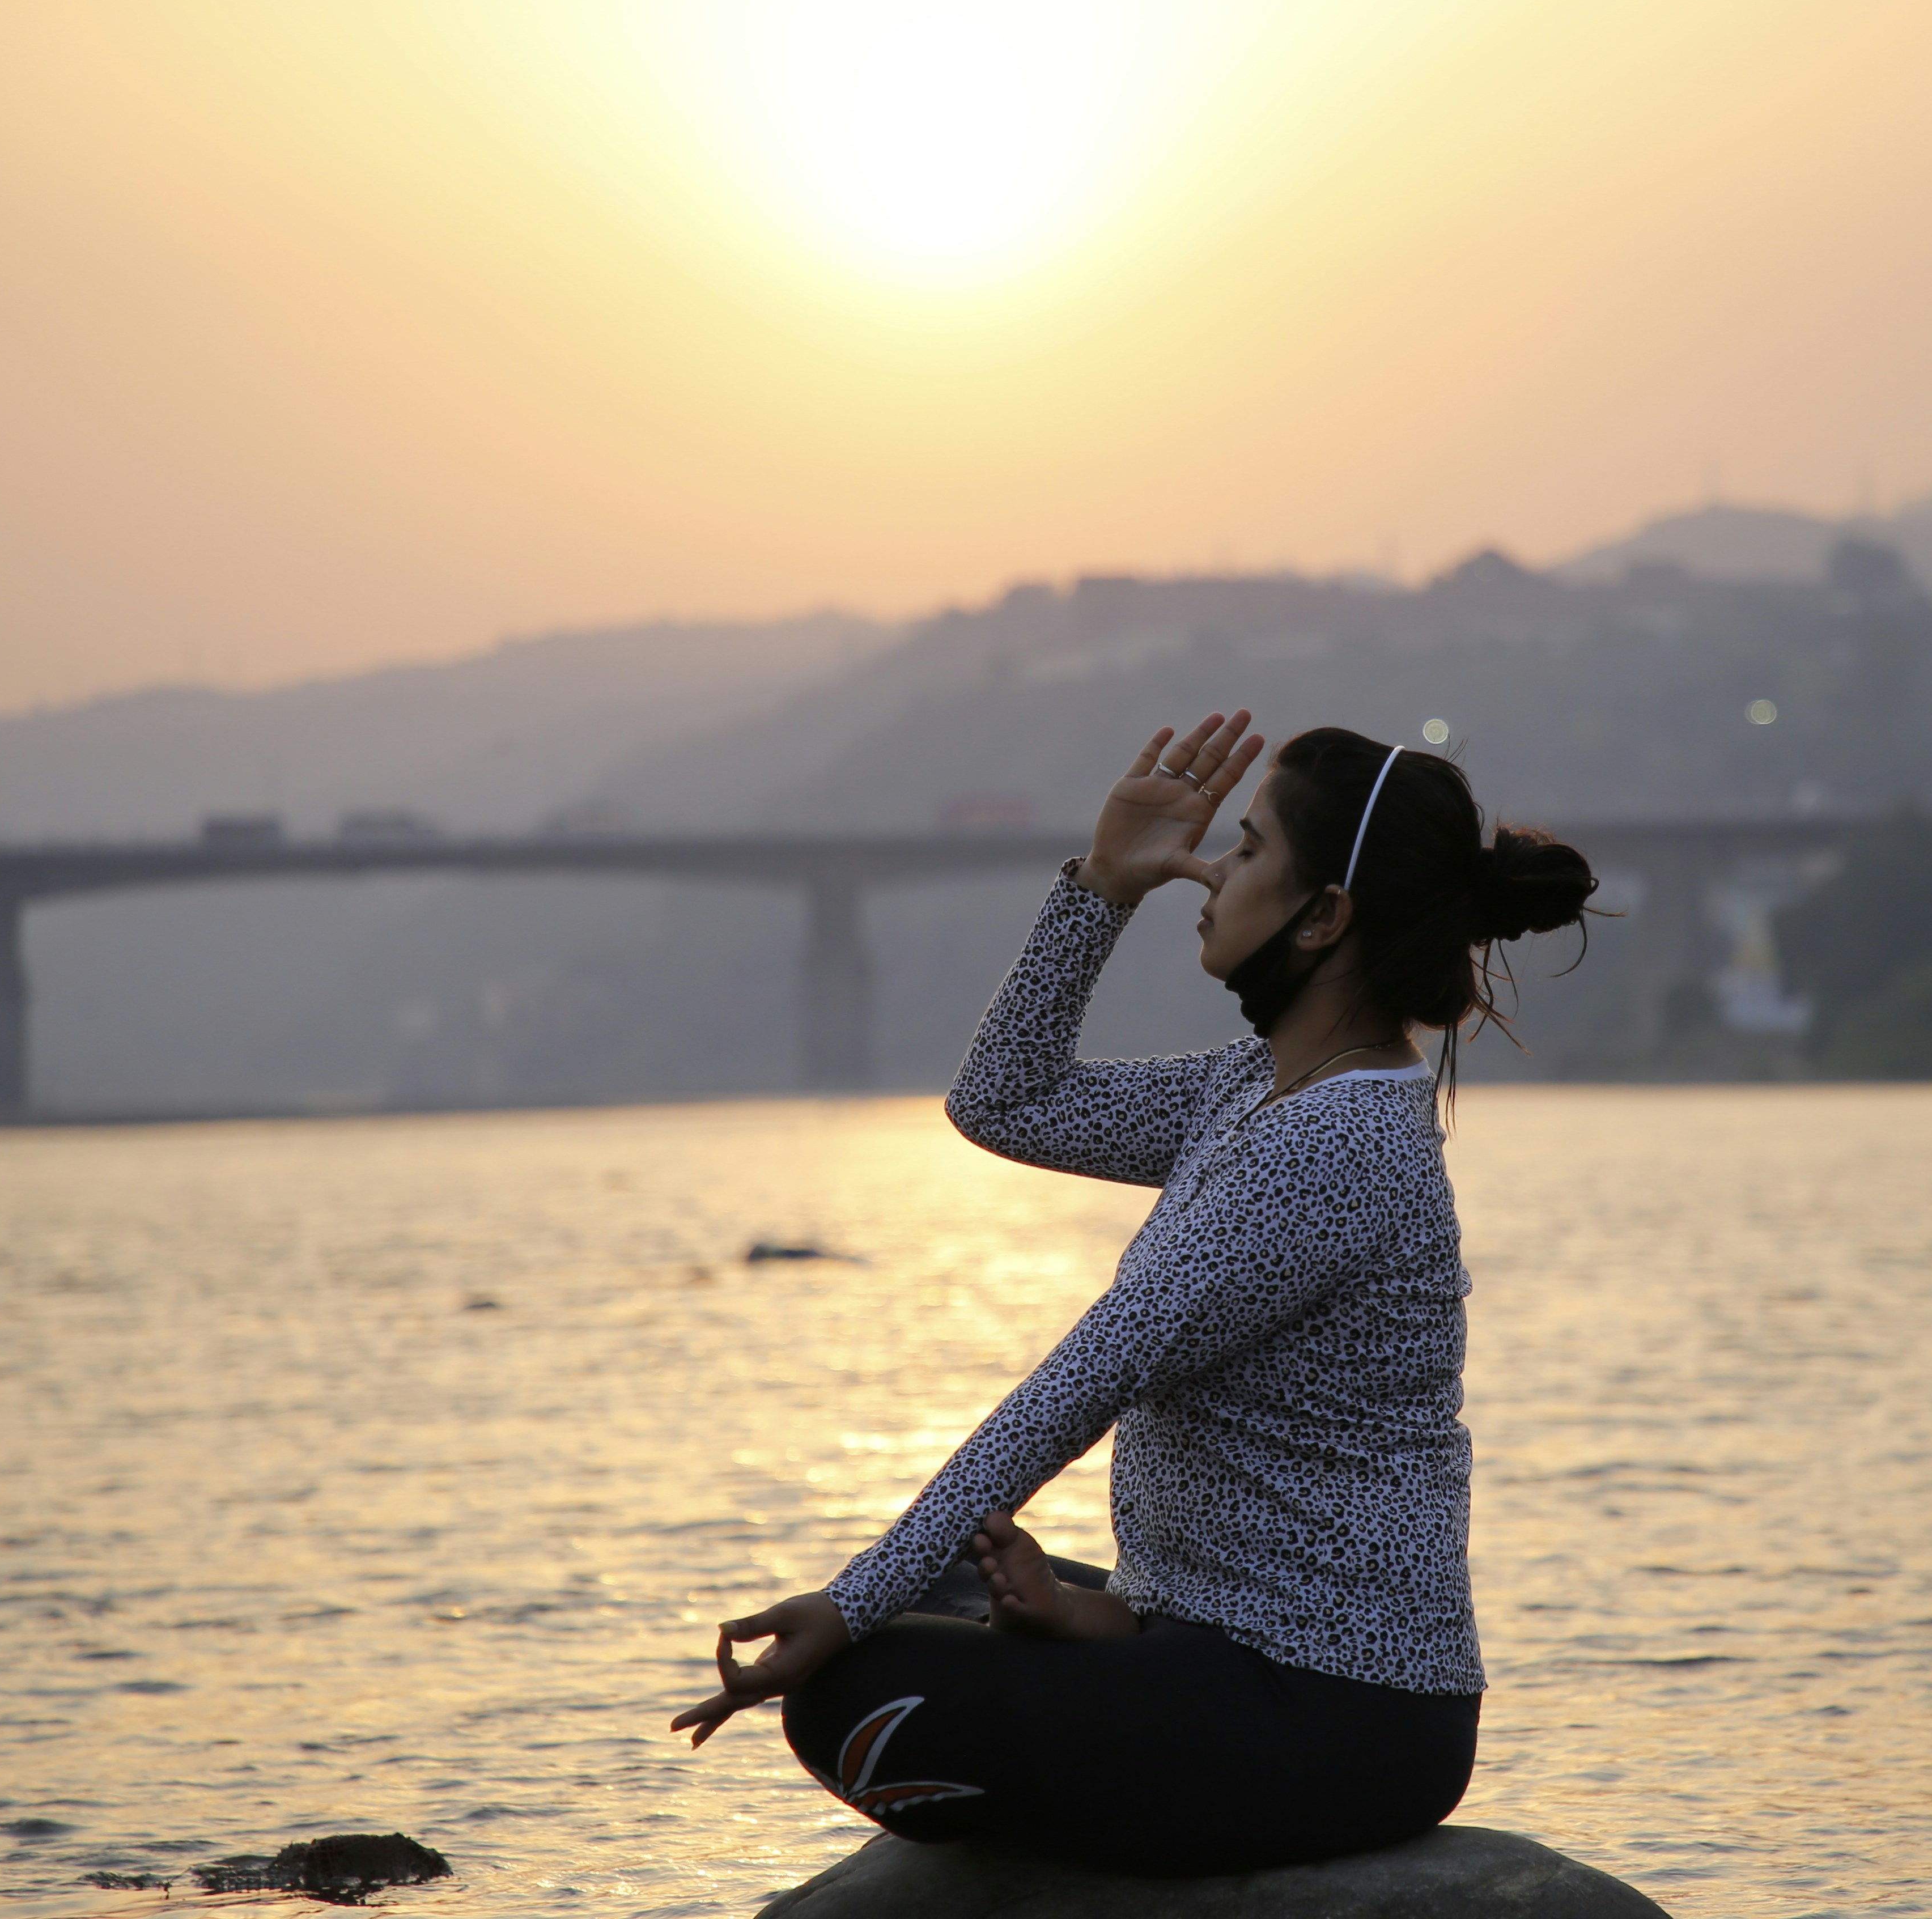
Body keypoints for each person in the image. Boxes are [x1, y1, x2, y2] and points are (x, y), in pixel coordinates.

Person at [670, 710, 1599, 1876]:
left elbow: (1087, 1376)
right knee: (957, 1578)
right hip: (1232, 1646)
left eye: (1249, 849)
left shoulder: (1334, 1150)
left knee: (853, 1686)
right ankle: (1123, 1636)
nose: (1209, 869)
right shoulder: (1256, 1089)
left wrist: (853, 1604)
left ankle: (1118, 1669)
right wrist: (1100, 887)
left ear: (1325, 918)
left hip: (1341, 1709)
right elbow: (1003, 1101)